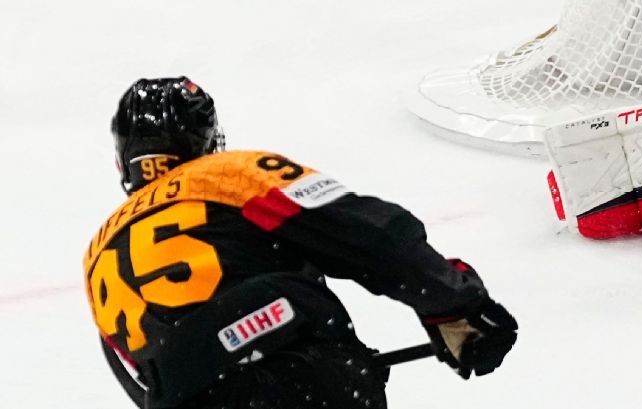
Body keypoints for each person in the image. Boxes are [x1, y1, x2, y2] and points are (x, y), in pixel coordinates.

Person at [84, 77, 517, 409]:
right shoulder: (227, 175)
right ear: (206, 139)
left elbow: (149, 374)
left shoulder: (98, 252)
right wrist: (453, 303)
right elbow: (364, 234)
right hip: (300, 383)